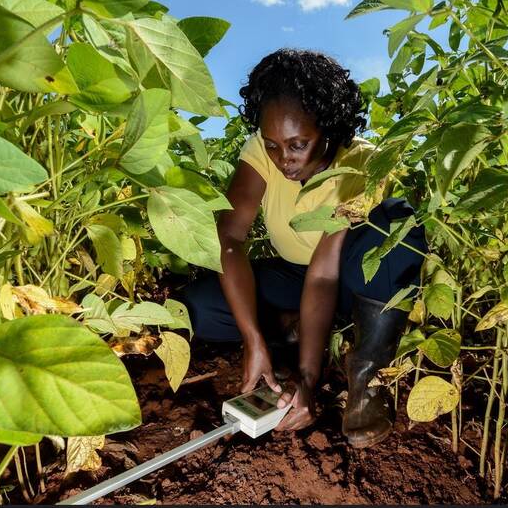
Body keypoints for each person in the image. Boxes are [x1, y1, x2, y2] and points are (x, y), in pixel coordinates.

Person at [182, 48, 428, 448]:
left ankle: (366, 370)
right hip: (294, 276)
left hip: (351, 284)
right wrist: (252, 339)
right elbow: (228, 238)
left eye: (298, 145)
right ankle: (292, 327)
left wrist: (308, 378)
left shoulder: (363, 162)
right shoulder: (262, 152)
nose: (283, 159)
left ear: (328, 128)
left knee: (396, 218)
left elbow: (325, 274)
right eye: (273, 145)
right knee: (201, 305)